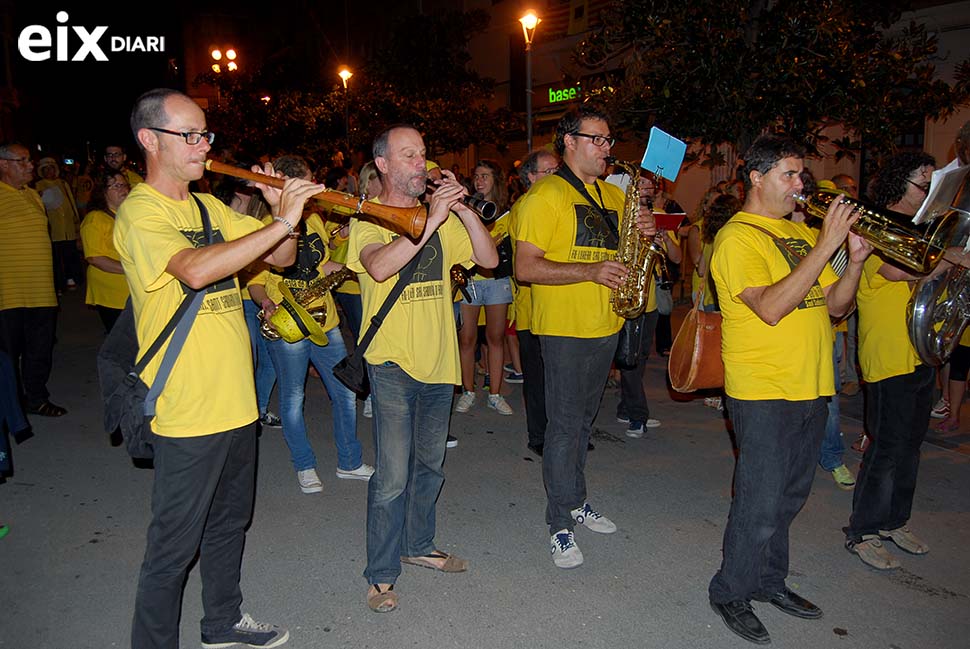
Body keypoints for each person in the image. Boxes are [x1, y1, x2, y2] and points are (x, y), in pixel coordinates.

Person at [116, 88, 325, 649]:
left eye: (205, 134)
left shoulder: (210, 207)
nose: (203, 145)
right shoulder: (141, 212)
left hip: (237, 404)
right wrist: (277, 222)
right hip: (187, 410)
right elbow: (195, 270)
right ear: (149, 140)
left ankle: (222, 622)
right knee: (172, 549)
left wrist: (280, 207)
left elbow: (278, 258)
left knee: (230, 524)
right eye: (189, 134)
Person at [707, 134, 870, 645]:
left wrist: (856, 259)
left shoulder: (796, 235)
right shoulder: (739, 238)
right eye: (790, 174)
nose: (802, 185)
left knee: (790, 494)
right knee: (760, 497)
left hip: (812, 384)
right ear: (755, 178)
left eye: (802, 174)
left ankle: (768, 580)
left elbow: (836, 306)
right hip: (764, 387)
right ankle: (731, 589)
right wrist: (826, 243)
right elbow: (772, 307)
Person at [345, 124, 497, 613]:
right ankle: (381, 574)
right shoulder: (368, 217)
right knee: (392, 475)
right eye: (407, 155)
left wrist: (465, 210)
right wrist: (432, 218)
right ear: (383, 165)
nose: (419, 163)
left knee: (430, 466)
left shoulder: (443, 216)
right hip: (390, 363)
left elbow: (489, 258)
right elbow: (380, 266)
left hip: (440, 364)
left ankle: (418, 545)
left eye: (423, 154)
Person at [514, 105, 656, 569]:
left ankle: (575, 500)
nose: (606, 148)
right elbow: (526, 266)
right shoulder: (545, 196)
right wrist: (590, 270)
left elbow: (624, 254)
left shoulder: (614, 197)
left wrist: (645, 233)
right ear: (569, 141)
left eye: (609, 140)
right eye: (597, 139)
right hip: (564, 330)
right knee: (563, 425)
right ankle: (559, 522)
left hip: (606, 325)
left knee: (581, 423)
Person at [248, 153, 373, 493]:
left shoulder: (315, 221)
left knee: (345, 393)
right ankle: (304, 464)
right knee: (292, 397)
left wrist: (356, 270)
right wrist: (266, 303)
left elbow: (323, 266)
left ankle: (350, 461)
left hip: (325, 321)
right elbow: (255, 281)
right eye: (307, 181)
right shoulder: (265, 228)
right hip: (287, 324)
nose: (315, 187)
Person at [842, 151, 942, 571]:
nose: (929, 192)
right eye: (924, 184)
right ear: (901, 182)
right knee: (885, 447)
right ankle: (862, 531)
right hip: (888, 352)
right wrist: (947, 262)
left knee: (912, 446)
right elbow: (895, 272)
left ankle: (894, 520)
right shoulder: (875, 224)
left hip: (921, 347)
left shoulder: (925, 227)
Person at [613, 171, 683, 437]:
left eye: (650, 183)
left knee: (637, 357)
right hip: (627, 294)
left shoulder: (659, 215)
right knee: (630, 358)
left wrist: (663, 238)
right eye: (641, 182)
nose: (647, 187)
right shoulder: (622, 213)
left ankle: (625, 408)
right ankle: (637, 414)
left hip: (648, 299)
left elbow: (676, 258)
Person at [0, 143, 66, 418]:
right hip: (8, 293)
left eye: (29, 160)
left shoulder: (33, 195)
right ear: (4, 164)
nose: (30, 165)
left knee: (39, 350)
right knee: (7, 354)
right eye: (23, 160)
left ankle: (36, 399)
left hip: (42, 291)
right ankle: (11, 405)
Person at [507, 149, 560, 455]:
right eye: (548, 172)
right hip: (531, 306)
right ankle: (539, 435)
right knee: (538, 376)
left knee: (560, 376)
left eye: (557, 170)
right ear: (530, 177)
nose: (555, 177)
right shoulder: (526, 206)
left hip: (558, 304)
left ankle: (562, 432)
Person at [454, 159, 515, 416]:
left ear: (496, 181)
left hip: (497, 281)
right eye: (477, 176)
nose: (480, 180)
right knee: (466, 339)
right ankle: (468, 391)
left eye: (485, 176)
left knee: (495, 338)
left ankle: (495, 393)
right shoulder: (466, 208)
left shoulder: (507, 211)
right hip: (469, 282)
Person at [79, 170, 131, 333]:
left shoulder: (128, 215)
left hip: (131, 289)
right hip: (111, 291)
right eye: (116, 186)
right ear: (103, 191)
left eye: (124, 185)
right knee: (122, 341)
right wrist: (133, 268)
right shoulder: (95, 219)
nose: (122, 189)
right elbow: (95, 258)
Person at [36, 157, 83, 292]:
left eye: (51, 168)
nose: (49, 171)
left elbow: (71, 201)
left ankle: (73, 277)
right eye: (46, 169)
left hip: (68, 226)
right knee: (56, 257)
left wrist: (76, 217)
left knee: (71, 253)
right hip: (53, 228)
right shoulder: (39, 185)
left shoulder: (62, 183)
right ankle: (59, 284)